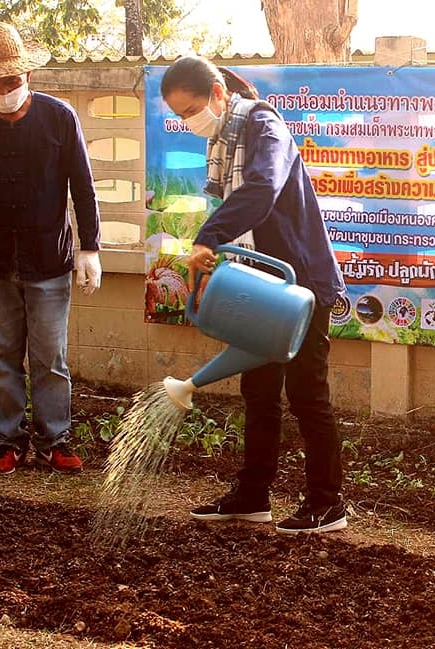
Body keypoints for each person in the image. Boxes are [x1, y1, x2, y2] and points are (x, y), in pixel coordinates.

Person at [160, 56, 347, 534]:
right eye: (180, 116)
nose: (189, 121)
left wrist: (210, 235)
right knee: (259, 393)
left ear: (219, 93)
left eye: (193, 109)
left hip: (300, 286)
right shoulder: (224, 140)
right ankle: (252, 495)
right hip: (261, 282)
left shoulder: (264, 126)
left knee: (308, 394)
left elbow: (262, 188)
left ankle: (328, 504)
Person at [0, 23, 102, 476]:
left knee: (50, 356)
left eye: (11, 81)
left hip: (47, 257)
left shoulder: (59, 116)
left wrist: (91, 248)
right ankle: (8, 440)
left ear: (26, 74)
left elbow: (83, 189)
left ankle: (56, 439)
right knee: (1, 355)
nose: (4, 90)